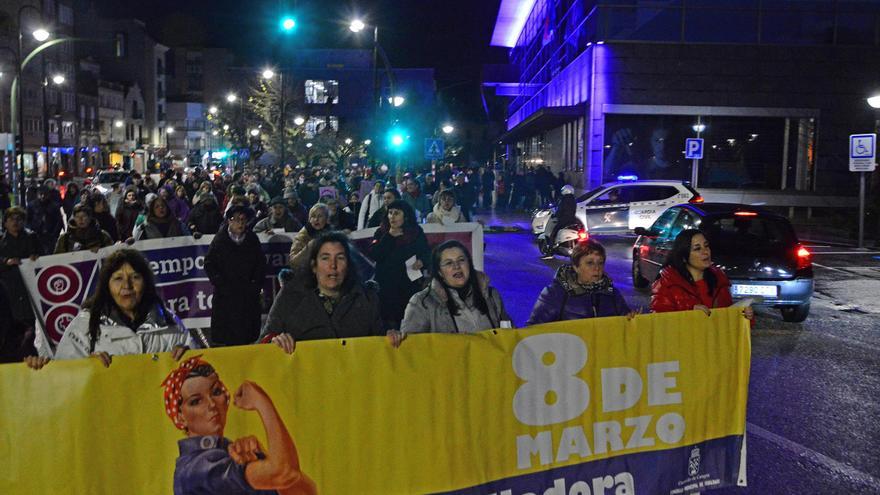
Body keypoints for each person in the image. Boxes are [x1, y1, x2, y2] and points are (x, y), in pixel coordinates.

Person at [161, 356, 317, 495]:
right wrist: (263, 403)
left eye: (215, 392)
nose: (211, 404)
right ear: (180, 418)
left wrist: (262, 457)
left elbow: (306, 491)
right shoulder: (196, 469)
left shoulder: (228, 454)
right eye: (196, 401)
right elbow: (285, 472)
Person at [25, 249, 204, 369]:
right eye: (118, 278)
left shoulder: (170, 322)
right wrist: (84, 369)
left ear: (146, 283)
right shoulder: (85, 326)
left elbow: (200, 373)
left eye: (135, 277)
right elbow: (63, 379)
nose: (127, 285)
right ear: (106, 286)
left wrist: (190, 357)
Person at [260, 232, 383, 352]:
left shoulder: (366, 299)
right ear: (314, 266)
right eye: (325, 258)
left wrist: (391, 341)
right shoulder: (290, 296)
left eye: (340, 258)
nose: (333, 265)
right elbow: (263, 343)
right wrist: (273, 342)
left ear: (348, 265)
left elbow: (381, 349)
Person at [395, 240, 510, 340]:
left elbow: (508, 334)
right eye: (449, 263)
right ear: (440, 272)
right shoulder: (422, 302)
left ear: (469, 265)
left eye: (461, 260)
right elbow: (411, 346)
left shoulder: (491, 295)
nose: (456, 266)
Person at [651, 229, 754, 321]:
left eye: (706, 246)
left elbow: (728, 318)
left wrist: (744, 316)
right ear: (683, 257)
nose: (705, 252)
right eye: (697, 248)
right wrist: (689, 313)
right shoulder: (667, 283)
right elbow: (660, 323)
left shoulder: (719, 279)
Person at [527, 239, 631, 325]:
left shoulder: (612, 294)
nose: (597, 268)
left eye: (600, 263)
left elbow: (624, 323)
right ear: (576, 267)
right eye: (590, 263)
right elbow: (534, 330)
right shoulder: (555, 294)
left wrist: (631, 320)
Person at [205, 204, 266, 346]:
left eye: (243, 219)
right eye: (236, 219)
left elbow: (260, 263)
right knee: (227, 337)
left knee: (247, 336)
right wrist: (220, 284)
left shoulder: (251, 238)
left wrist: (255, 285)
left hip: (247, 295)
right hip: (226, 296)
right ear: (229, 221)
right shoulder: (220, 239)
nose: (240, 223)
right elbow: (209, 263)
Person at [368, 200, 431, 330]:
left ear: (405, 216)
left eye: (396, 213)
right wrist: (389, 237)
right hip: (386, 287)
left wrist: (422, 261)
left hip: (409, 285)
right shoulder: (381, 232)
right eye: (390, 213)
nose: (392, 216)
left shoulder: (416, 232)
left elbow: (426, 252)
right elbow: (375, 254)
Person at [0, 207, 41, 329]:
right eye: (12, 219)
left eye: (19, 219)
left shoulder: (31, 237)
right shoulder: (1, 241)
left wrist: (36, 257)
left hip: (29, 288)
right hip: (8, 289)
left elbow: (43, 256)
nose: (15, 222)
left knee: (29, 326)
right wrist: (6, 261)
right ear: (5, 222)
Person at [288, 204, 332, 273]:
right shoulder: (302, 236)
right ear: (309, 219)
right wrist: (310, 247)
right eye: (313, 216)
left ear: (327, 219)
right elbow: (294, 262)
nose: (316, 219)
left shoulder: (333, 236)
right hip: (308, 277)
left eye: (320, 216)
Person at [541, 185, 580, 259]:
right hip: (572, 220)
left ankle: (550, 253)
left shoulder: (564, 199)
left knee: (553, 233)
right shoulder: (573, 199)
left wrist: (555, 215)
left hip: (564, 220)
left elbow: (560, 210)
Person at [27, 185, 64, 254]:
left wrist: (54, 234)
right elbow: (28, 220)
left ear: (49, 195)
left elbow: (59, 221)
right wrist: (31, 230)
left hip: (50, 236)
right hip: (36, 235)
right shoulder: (32, 205)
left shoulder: (54, 206)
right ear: (37, 194)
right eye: (41, 194)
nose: (43, 196)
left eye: (45, 194)